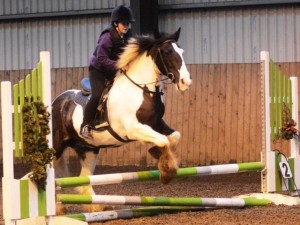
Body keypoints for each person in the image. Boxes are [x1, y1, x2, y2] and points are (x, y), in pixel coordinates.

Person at [80, 5, 135, 139]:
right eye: (123, 23)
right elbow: (101, 58)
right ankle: (85, 125)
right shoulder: (107, 36)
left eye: (128, 23)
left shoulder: (128, 35)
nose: (126, 26)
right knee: (98, 94)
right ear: (116, 23)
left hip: (113, 69)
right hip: (98, 69)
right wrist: (119, 66)